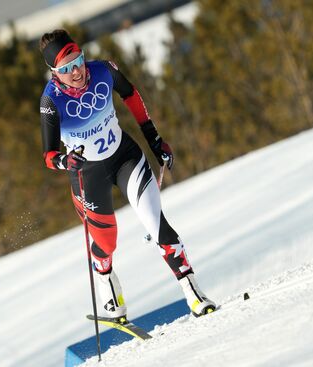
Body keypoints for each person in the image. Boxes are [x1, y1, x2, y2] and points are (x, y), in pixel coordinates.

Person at [39, 29, 216, 320]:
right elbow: (47, 155)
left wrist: (155, 140)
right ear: (54, 73)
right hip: (88, 175)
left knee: (157, 224)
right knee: (107, 242)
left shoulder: (103, 70)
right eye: (67, 68)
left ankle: (194, 294)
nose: (77, 71)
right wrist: (64, 161)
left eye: (79, 60)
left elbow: (131, 95)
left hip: (125, 158)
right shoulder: (51, 102)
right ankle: (104, 277)